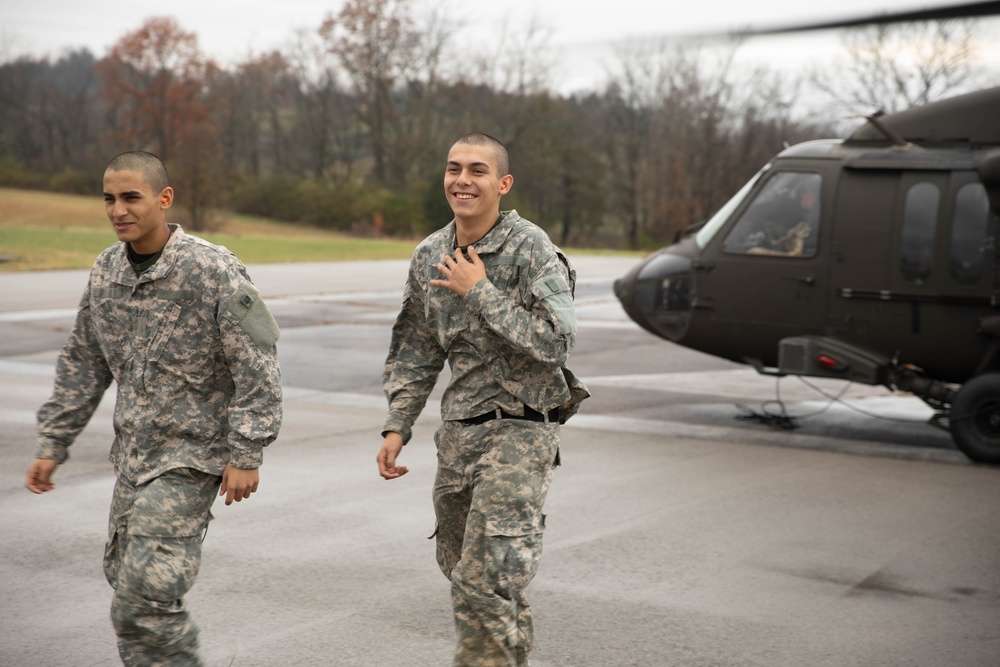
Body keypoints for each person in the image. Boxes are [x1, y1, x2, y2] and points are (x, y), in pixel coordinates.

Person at [25, 151, 283, 666]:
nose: (118, 210)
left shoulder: (213, 269)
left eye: (131, 197)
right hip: (134, 458)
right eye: (109, 199)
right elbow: (84, 361)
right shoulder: (107, 270)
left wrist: (247, 452)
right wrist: (54, 441)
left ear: (164, 199)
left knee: (144, 598)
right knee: (125, 583)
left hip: (190, 460)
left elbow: (259, 362)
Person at [377, 133, 589, 667]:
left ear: (503, 183)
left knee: (485, 578)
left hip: (523, 429)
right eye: (454, 169)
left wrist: (480, 291)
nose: (463, 181)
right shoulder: (431, 254)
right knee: (469, 576)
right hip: (460, 435)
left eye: (477, 170)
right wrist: (398, 425)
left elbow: (556, 343)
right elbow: (416, 349)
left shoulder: (531, 248)